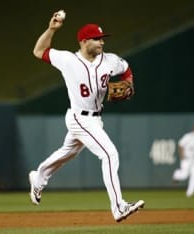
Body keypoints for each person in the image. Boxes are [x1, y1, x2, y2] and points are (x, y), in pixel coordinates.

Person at [28, 10, 144, 222]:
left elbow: (126, 69)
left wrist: (129, 83)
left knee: (67, 153)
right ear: (84, 41)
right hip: (79, 118)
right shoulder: (67, 59)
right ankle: (118, 207)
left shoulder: (109, 60)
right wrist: (52, 29)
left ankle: (38, 178)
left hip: (96, 119)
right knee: (109, 154)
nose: (102, 42)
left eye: (103, 38)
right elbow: (38, 50)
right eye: (97, 39)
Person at [172, 123, 194, 197]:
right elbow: (180, 144)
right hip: (187, 159)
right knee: (185, 175)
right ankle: (176, 175)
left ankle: (190, 194)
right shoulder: (188, 136)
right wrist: (181, 155)